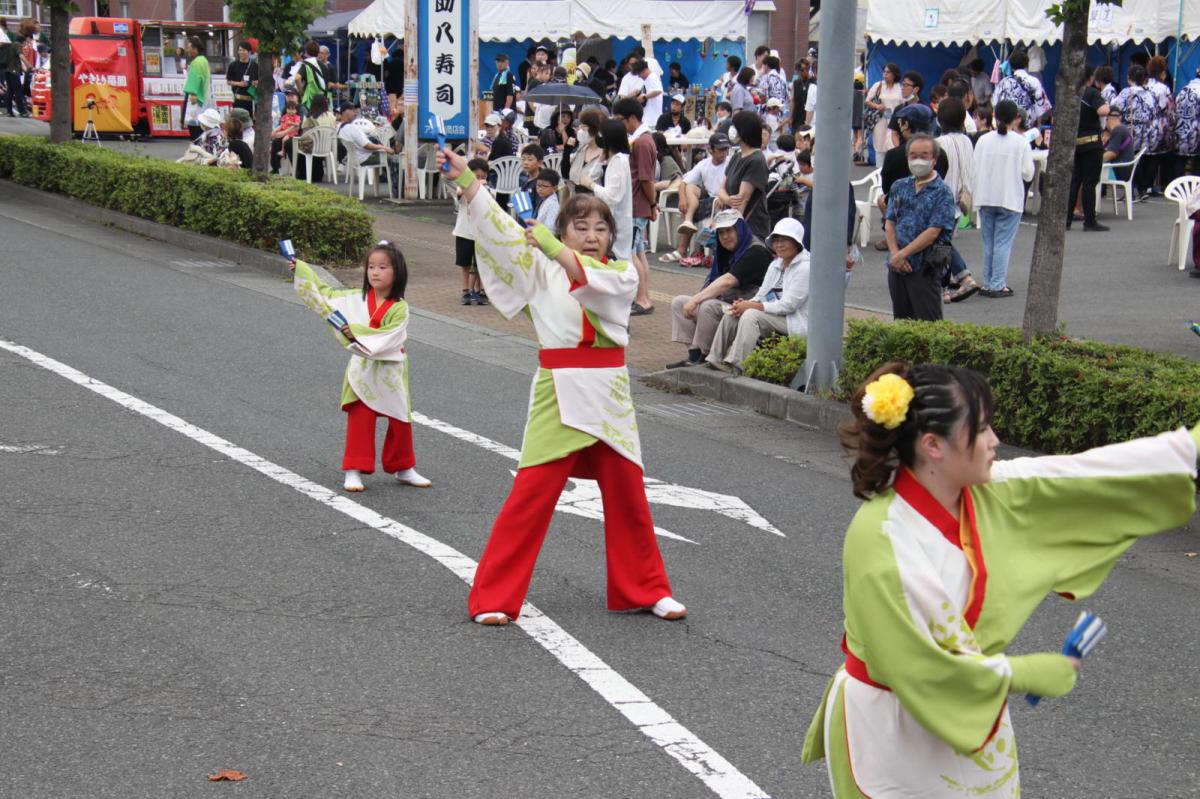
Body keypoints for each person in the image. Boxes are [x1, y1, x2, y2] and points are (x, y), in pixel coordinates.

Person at [803, 359, 1200, 798]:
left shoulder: (988, 490)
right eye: (983, 429)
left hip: (969, 707)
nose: (997, 440)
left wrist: (1188, 452)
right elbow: (919, 666)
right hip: (891, 724)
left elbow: (1084, 475)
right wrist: (1021, 672)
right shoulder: (880, 538)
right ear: (934, 445)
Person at [438, 146, 687, 627]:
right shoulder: (541, 268)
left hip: (610, 393)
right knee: (530, 495)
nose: (592, 237)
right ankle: (494, 596)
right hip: (557, 389)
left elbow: (594, 281)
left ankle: (646, 589)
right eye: (581, 228)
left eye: (601, 229)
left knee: (629, 495)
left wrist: (555, 248)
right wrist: (468, 182)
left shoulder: (619, 272)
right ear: (564, 229)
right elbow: (501, 231)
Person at [289, 242, 430, 493]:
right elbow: (326, 296)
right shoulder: (356, 298)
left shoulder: (400, 308)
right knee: (360, 416)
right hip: (362, 368)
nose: (375, 272)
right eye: (371, 267)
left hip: (390, 370)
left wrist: (354, 332)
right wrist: (301, 269)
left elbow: (391, 335)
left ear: (397, 272)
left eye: (382, 267)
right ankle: (353, 468)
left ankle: (403, 467)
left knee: (400, 418)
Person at [667, 209, 772, 368]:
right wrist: (695, 301)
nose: (725, 236)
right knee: (679, 302)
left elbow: (727, 282)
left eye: (729, 230)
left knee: (708, 306)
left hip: (745, 309)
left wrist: (696, 300)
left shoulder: (756, 251)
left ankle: (705, 355)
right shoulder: (726, 252)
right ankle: (694, 355)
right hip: (725, 303)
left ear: (740, 229)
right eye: (721, 232)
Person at [706, 217, 809, 373]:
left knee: (751, 315)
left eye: (784, 240)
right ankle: (715, 358)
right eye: (776, 240)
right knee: (733, 313)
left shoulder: (805, 268)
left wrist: (753, 306)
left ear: (796, 243)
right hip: (775, 314)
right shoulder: (776, 264)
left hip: (795, 321)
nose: (779, 245)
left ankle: (736, 364)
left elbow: (789, 305)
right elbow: (762, 293)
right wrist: (743, 304)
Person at [885, 133, 957, 320]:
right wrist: (895, 254)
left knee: (927, 321)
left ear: (934, 159)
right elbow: (890, 221)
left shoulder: (943, 192)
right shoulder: (899, 186)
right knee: (901, 321)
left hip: (926, 267)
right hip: (897, 266)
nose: (918, 160)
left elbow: (933, 232)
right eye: (913, 155)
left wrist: (903, 254)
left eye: (924, 155)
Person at [972, 101, 1034, 299]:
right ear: (1016, 117)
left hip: (985, 196)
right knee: (1002, 243)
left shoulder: (983, 140)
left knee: (988, 242)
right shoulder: (1021, 142)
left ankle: (989, 282)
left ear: (994, 116)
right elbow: (1027, 173)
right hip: (1010, 197)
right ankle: (997, 283)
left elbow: (974, 167)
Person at [612, 97, 658, 315]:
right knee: (639, 253)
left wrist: (653, 203)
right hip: (640, 204)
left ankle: (641, 298)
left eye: (620, 120)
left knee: (631, 252)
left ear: (631, 118)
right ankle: (644, 296)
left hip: (636, 204)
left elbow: (646, 179)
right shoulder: (643, 140)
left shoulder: (641, 142)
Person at [935, 98, 983, 302]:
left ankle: (964, 277)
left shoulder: (938, 143)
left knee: (940, 242)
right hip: (961, 198)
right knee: (942, 243)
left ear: (940, 120)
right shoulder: (966, 141)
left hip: (941, 199)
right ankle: (944, 287)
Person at [663, 132, 732, 264]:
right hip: (710, 200)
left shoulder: (730, 163)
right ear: (710, 150)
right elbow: (684, 182)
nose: (724, 153)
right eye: (720, 149)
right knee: (690, 189)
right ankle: (688, 221)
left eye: (726, 149)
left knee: (691, 203)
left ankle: (682, 248)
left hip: (723, 201)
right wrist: (682, 199)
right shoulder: (704, 164)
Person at [579, 117, 633, 260]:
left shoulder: (618, 161)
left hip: (616, 224)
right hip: (613, 222)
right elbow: (592, 174)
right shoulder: (614, 159)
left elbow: (612, 196)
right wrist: (600, 160)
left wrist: (591, 185)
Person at [717, 110, 771, 240]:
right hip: (731, 223)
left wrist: (735, 233)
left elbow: (742, 200)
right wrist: (728, 200)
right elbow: (721, 189)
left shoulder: (756, 160)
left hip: (749, 227)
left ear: (745, 131)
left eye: (735, 127)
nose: (731, 130)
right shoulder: (737, 156)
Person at [1068, 67, 1110, 232]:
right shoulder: (1092, 93)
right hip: (1091, 143)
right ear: (1090, 78)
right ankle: (1090, 220)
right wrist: (1107, 105)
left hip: (1074, 142)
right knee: (1089, 183)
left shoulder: (1070, 93)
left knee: (1074, 182)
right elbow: (1103, 110)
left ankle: (1066, 220)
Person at [1111, 65, 1158, 200]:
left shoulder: (1127, 92)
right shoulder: (1149, 93)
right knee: (1139, 159)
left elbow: (1116, 106)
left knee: (1128, 160)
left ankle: (1130, 191)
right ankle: (1142, 189)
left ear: (1129, 77)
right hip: (1146, 130)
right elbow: (1154, 111)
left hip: (1130, 130)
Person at [453, 159, 491, 306]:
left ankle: (481, 291)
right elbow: (460, 193)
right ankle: (465, 291)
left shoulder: (488, 189)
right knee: (464, 264)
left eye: (482, 177)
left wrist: (484, 187)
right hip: (464, 231)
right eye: (476, 177)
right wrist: (473, 185)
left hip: (482, 233)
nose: (479, 180)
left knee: (482, 263)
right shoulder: (462, 187)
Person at [993, 49, 1051, 127]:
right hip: (1027, 127)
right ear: (1027, 64)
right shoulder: (1034, 81)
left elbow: (995, 103)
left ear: (1011, 66)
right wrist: (1038, 126)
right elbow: (1040, 107)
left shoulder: (1004, 82)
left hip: (1008, 127)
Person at [1145, 55, 1176, 194]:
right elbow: (1168, 109)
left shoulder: (1144, 85)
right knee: (1156, 156)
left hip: (1145, 125)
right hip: (1159, 125)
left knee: (1144, 155)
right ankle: (1150, 185)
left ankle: (1144, 185)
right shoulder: (1163, 88)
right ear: (1162, 72)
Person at [337, 103, 394, 172]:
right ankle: (394, 180)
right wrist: (384, 147)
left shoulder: (339, 128)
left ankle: (382, 177)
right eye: (353, 110)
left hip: (355, 158)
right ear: (345, 112)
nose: (355, 113)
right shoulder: (352, 128)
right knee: (392, 159)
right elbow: (367, 146)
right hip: (365, 157)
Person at [865, 63, 904, 161]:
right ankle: (879, 169)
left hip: (895, 120)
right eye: (884, 72)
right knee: (880, 146)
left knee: (893, 145)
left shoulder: (900, 87)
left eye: (888, 72)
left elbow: (904, 102)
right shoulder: (878, 85)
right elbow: (867, 100)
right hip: (881, 119)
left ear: (894, 74)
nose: (885, 74)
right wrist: (877, 106)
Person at [294, 94, 336, 181]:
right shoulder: (331, 116)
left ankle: (301, 174)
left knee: (295, 146)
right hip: (327, 147)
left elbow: (305, 134)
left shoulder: (310, 117)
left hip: (312, 148)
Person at [567, 106, 606, 192]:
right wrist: (567, 150)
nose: (580, 131)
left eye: (584, 127)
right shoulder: (580, 149)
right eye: (579, 127)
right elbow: (566, 173)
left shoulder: (605, 155)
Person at [182, 36, 210, 139]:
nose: (187, 50)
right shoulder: (203, 60)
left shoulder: (197, 62)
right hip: (203, 100)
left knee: (196, 134)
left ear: (195, 49)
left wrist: (193, 94)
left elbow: (195, 79)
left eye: (189, 47)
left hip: (197, 101)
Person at [1174, 68, 1200, 178]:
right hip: (1196, 133)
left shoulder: (1184, 90)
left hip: (1180, 131)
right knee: (1197, 162)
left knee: (1180, 160)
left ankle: (1176, 187)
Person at [1103, 107, 1136, 181]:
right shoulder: (1122, 128)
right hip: (1123, 169)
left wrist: (1095, 161)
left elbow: (1111, 154)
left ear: (1108, 119)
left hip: (1118, 170)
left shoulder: (1118, 130)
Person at [226, 41, 258, 115]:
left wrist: (256, 83)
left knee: (249, 122)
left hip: (251, 100)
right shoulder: (233, 65)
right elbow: (228, 81)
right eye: (240, 50)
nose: (241, 52)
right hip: (237, 99)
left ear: (249, 52)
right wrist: (239, 83)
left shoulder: (255, 66)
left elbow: (258, 80)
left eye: (244, 50)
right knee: (237, 122)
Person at [296, 41, 326, 114]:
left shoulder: (306, 64)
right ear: (318, 52)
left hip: (310, 98)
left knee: (308, 122)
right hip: (322, 98)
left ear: (306, 52)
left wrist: (301, 92)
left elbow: (297, 77)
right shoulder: (323, 65)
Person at [637, 59, 665, 129]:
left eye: (639, 74)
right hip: (648, 117)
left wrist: (644, 97)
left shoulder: (652, 77)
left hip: (653, 119)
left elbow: (658, 91)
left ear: (644, 71)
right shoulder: (648, 79)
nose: (639, 77)